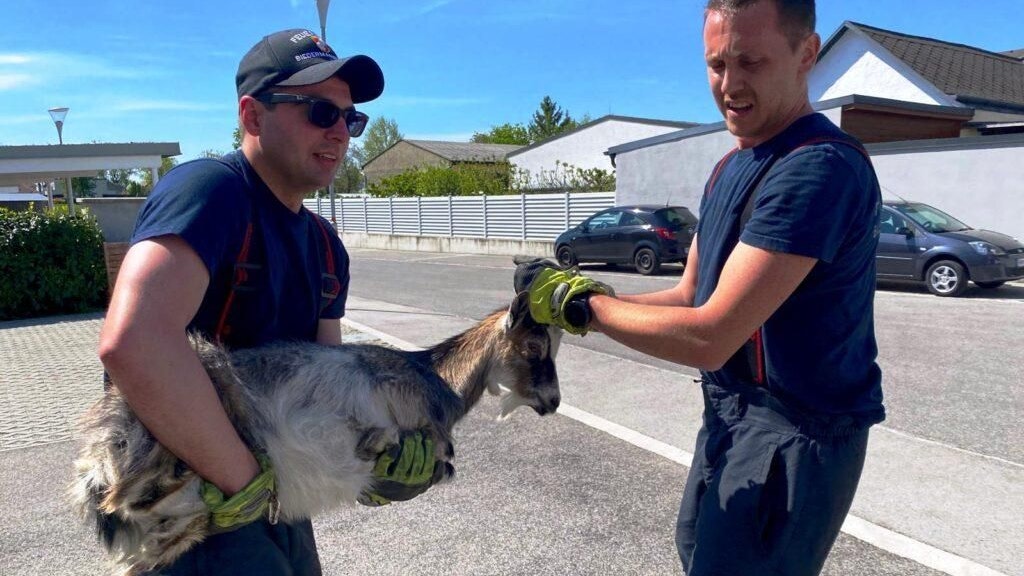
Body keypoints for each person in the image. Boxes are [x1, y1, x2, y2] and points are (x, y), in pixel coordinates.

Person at [514, 1, 884, 574]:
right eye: (716, 64)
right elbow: (688, 298)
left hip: (794, 432)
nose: (730, 85)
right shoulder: (729, 167)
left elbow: (711, 334)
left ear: (806, 54)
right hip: (729, 413)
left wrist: (580, 306)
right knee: (696, 553)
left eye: (751, 62)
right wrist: (582, 297)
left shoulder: (819, 168)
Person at [99, 29, 440, 575]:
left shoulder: (327, 247)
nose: (339, 133)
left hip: (266, 492)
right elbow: (133, 344)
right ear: (252, 117)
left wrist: (367, 465)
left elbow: (328, 388)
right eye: (318, 112)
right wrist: (245, 483)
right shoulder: (210, 192)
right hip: (186, 503)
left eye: (350, 119)